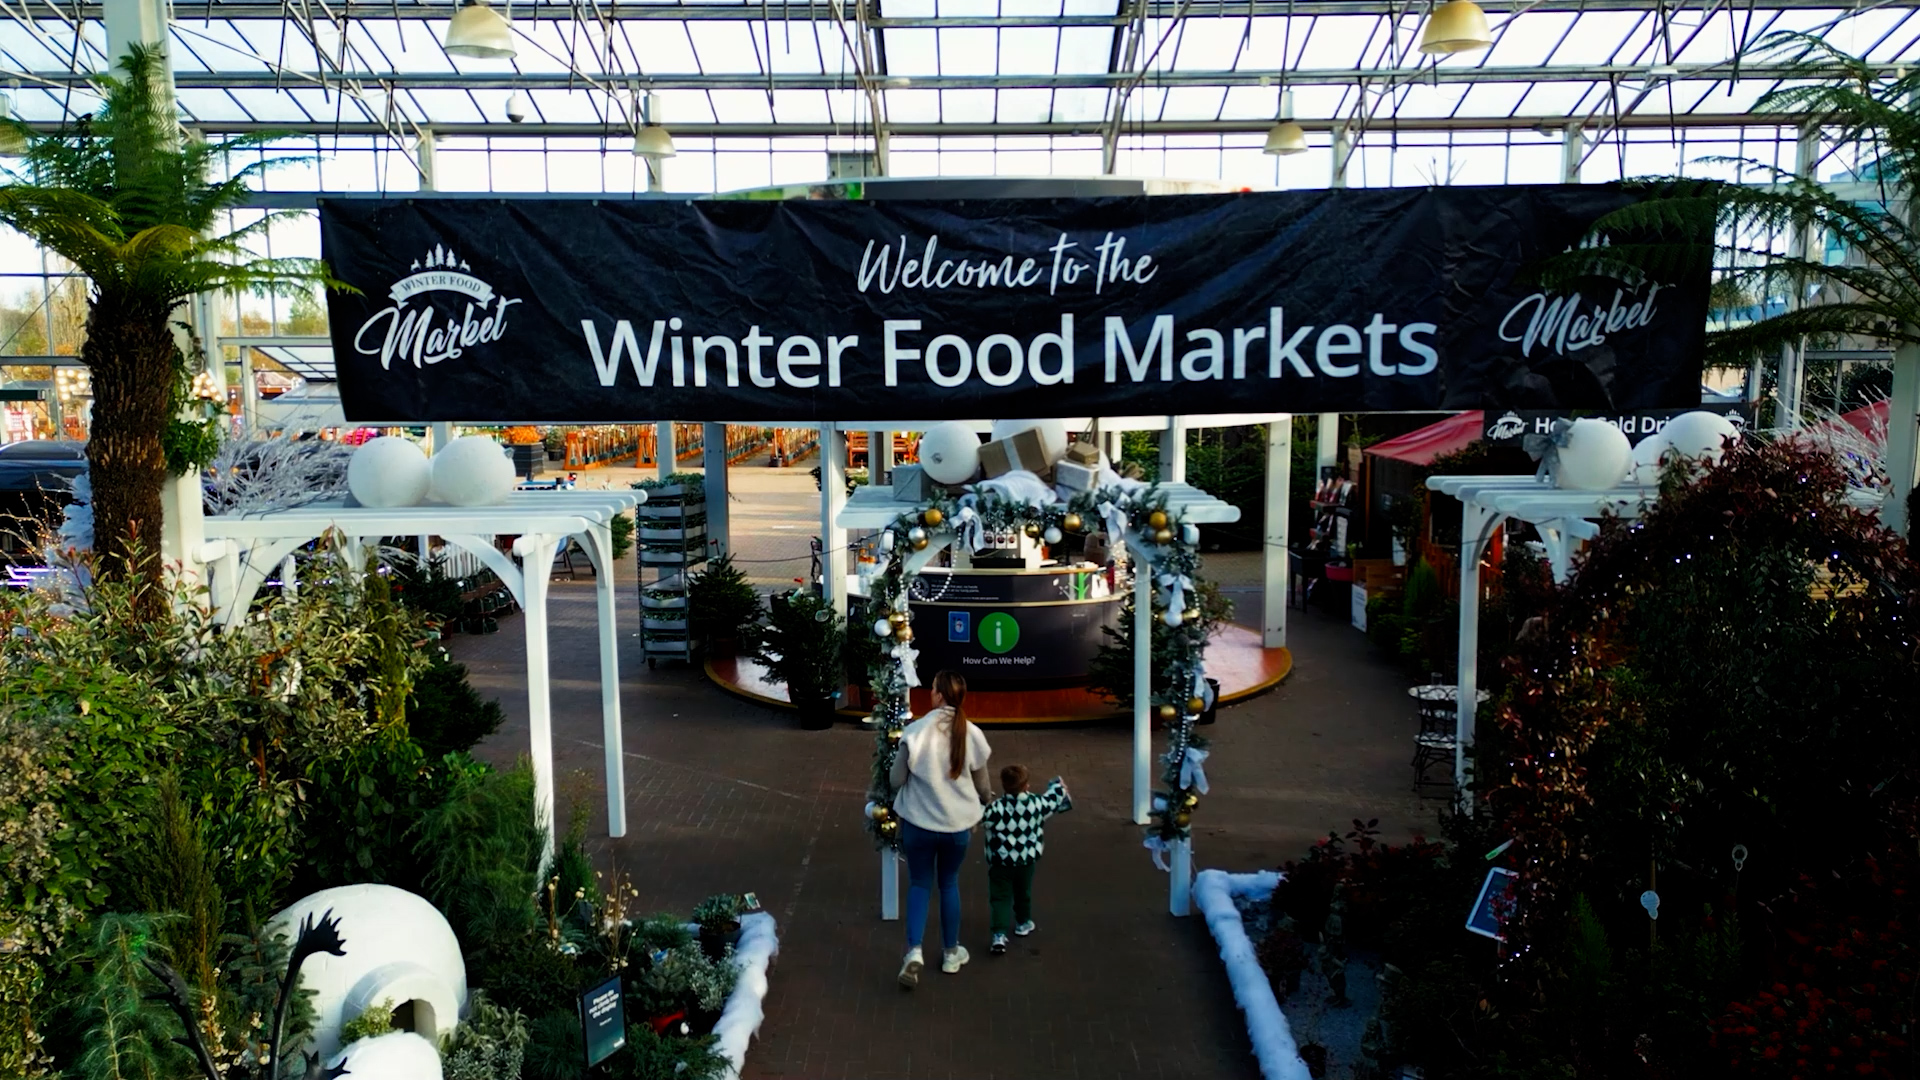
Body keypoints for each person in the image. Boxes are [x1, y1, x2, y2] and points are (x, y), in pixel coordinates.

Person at [888, 670, 991, 989]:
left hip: (918, 826)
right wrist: (983, 804)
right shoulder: (972, 733)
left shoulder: (916, 731)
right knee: (949, 884)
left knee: (919, 884)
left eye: (932, 688)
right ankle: (950, 953)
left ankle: (914, 951)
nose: (930, 692)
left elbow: (895, 780)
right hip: (956, 828)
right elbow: (983, 787)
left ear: (939, 695)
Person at [978, 764, 1072, 954]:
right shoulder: (1036, 804)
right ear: (1027, 785)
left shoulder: (996, 809)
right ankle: (1023, 923)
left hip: (1000, 863)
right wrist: (1058, 786)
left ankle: (998, 934)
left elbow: (978, 816)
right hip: (1026, 861)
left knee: (1000, 897)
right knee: (1023, 892)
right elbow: (1053, 799)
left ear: (1003, 785)